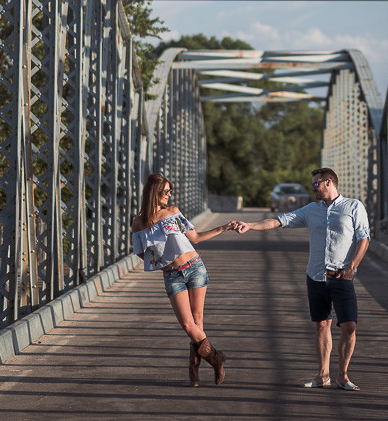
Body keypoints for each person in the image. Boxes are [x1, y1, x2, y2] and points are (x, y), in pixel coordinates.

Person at [234, 167, 369, 391]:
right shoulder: (310, 210)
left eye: (316, 183)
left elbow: (364, 238)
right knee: (322, 325)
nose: (313, 188)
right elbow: (278, 221)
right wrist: (250, 226)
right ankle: (323, 375)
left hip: (342, 276)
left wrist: (352, 267)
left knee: (350, 326)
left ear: (328, 182)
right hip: (316, 276)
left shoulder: (353, 206)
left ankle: (343, 376)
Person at [132, 172, 234, 386]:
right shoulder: (139, 223)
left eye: (170, 191)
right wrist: (160, 262)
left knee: (197, 323)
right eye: (166, 191)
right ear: (153, 192)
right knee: (189, 325)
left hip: (195, 267)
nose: (169, 194)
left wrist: (223, 228)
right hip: (172, 275)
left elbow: (195, 237)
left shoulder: (173, 212)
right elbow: (141, 252)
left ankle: (194, 372)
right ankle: (216, 358)